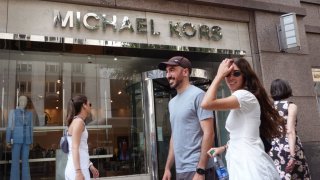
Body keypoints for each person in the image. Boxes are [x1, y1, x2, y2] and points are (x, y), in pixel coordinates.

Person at [201, 58, 285, 180]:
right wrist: (223, 148)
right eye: (227, 74)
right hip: (241, 162)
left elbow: (206, 104)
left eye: (236, 73)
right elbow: (241, 135)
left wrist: (219, 75)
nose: (230, 77)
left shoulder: (244, 96)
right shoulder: (241, 98)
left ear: (245, 75)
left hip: (249, 164)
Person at [158, 56, 215, 180]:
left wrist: (201, 170)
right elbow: (175, 136)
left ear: (185, 72)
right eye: (167, 71)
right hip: (181, 170)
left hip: (197, 169)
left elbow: (209, 133)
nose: (168, 75)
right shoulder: (171, 103)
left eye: (172, 70)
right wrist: (168, 167)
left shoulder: (199, 95)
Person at [269, 79, 312, 180]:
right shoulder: (290, 106)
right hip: (290, 145)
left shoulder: (269, 107)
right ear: (286, 89)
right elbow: (290, 131)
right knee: (297, 175)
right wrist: (292, 156)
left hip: (274, 147)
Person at [64, 95, 99, 180]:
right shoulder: (79, 122)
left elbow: (81, 148)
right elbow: (74, 148)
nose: (90, 106)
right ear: (84, 105)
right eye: (89, 104)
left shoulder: (76, 121)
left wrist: (90, 165)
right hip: (78, 170)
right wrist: (78, 172)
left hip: (76, 168)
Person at [6, 95, 33, 180]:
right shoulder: (13, 112)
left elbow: (31, 128)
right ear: (19, 101)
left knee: (25, 162)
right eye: (21, 100)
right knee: (15, 162)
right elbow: (10, 127)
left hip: (26, 140)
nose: (23, 102)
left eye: (25, 101)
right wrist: (8, 140)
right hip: (16, 139)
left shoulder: (30, 113)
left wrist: (31, 141)